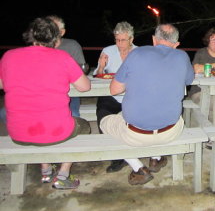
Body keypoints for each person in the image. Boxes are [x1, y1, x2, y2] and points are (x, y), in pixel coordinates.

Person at [0, 17, 91, 189]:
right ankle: (63, 174)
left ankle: (46, 169)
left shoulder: (8, 56)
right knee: (84, 126)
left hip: (18, 134)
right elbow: (85, 87)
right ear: (56, 38)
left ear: (30, 35)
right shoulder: (62, 57)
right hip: (57, 132)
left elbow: (2, 84)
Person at [99, 24, 194, 185]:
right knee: (140, 115)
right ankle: (156, 158)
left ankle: (138, 167)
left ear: (153, 39)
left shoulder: (136, 53)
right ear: (176, 44)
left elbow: (114, 90)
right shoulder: (182, 56)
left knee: (104, 121)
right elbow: (189, 80)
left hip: (135, 135)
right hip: (170, 131)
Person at [93, 21, 137, 173]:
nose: (119, 43)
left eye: (123, 40)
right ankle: (116, 157)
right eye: (117, 39)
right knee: (102, 113)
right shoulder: (108, 51)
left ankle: (133, 153)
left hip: (132, 96)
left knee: (132, 123)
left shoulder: (139, 53)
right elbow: (99, 75)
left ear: (131, 39)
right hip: (111, 95)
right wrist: (100, 66)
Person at [46, 15, 87, 117]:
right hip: (43, 92)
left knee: (73, 115)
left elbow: (81, 71)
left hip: (69, 92)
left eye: (52, 28)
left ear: (62, 32)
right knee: (5, 113)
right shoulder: (38, 46)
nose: (48, 32)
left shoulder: (72, 45)